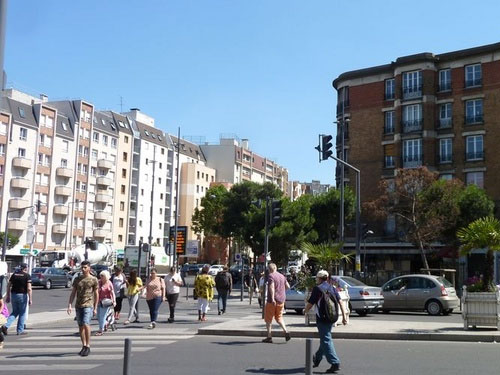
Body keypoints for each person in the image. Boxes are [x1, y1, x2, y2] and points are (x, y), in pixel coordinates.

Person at [304, 270, 347, 374]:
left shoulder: (317, 289)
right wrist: (344, 317)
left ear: (319, 278)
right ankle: (318, 358)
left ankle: (335, 362)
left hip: (322, 318)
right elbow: (340, 302)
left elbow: (310, 303)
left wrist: (305, 311)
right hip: (331, 317)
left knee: (326, 339)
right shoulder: (332, 288)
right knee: (325, 338)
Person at [67, 260, 98, 357]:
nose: (83, 269)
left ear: (89, 268)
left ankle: (88, 345)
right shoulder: (77, 279)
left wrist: (95, 307)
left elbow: (96, 293)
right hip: (78, 305)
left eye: (85, 267)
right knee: (80, 326)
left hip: (88, 305)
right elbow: (73, 292)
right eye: (82, 267)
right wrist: (69, 304)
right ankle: (84, 345)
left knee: (86, 323)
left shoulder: (93, 279)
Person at [262, 263, 290, 343]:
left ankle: (269, 336)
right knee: (279, 317)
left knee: (268, 318)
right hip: (281, 300)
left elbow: (271, 287)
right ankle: (286, 331)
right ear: (276, 268)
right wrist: (281, 292)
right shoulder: (282, 276)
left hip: (272, 301)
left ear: (269, 269)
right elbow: (288, 286)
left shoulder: (271, 276)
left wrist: (273, 298)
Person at [4, 263, 32, 336]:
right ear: (25, 268)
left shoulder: (14, 275)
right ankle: (20, 330)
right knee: (22, 313)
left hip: (14, 295)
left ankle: (5, 325)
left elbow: (8, 285)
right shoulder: (27, 276)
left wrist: (8, 295)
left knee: (15, 312)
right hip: (22, 295)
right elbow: (29, 289)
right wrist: (30, 299)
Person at [95, 270, 116, 336]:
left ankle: (101, 330)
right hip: (98, 301)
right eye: (100, 276)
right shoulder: (99, 282)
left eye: (102, 276)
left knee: (102, 316)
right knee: (98, 316)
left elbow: (112, 293)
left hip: (105, 302)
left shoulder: (109, 283)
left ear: (106, 277)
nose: (101, 277)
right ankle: (107, 323)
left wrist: (114, 301)